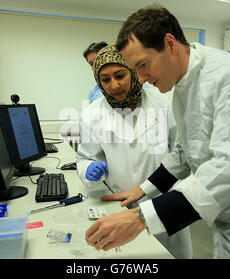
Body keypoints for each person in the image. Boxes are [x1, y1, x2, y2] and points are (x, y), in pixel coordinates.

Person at [85, 5, 230, 259]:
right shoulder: (182, 84)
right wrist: (143, 189)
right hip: (228, 217)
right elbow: (184, 151)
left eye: (143, 65)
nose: (142, 78)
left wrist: (141, 218)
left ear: (169, 43)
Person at [77, 45, 193, 259]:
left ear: (132, 72)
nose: (114, 85)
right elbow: (86, 157)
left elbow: (183, 155)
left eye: (120, 75)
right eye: (105, 79)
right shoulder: (91, 115)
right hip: (119, 207)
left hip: (163, 202)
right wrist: (89, 170)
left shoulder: (163, 104)